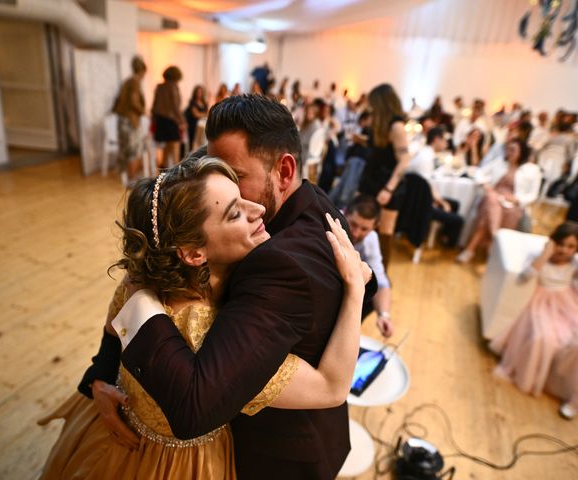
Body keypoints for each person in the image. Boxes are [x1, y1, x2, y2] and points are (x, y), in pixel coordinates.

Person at [80, 94, 379, 479]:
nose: (246, 206)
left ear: (284, 171)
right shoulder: (312, 198)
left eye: (237, 179)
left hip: (277, 456)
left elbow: (196, 405)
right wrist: (99, 376)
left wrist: (138, 300)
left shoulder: (277, 264)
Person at [491, 222, 578, 420]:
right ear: (553, 242)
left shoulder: (573, 264)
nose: (565, 250)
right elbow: (525, 276)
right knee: (544, 339)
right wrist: (546, 254)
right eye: (561, 244)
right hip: (542, 303)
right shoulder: (542, 257)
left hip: (568, 303)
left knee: (573, 342)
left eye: (571, 246)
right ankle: (533, 377)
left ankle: (569, 392)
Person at [457, 139, 542, 263]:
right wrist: (486, 184)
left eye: (513, 150)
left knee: (495, 213)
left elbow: (533, 194)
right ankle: (495, 239)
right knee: (491, 199)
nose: (509, 152)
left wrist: (517, 199)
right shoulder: (499, 163)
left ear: (521, 152)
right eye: (508, 149)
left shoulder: (532, 170)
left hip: (513, 203)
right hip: (493, 194)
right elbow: (479, 172)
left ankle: (472, 248)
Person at [357, 83, 411, 268]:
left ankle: (381, 279)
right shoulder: (379, 122)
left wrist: (389, 188)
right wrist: (360, 140)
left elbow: (404, 159)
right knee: (360, 222)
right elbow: (379, 147)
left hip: (388, 183)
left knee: (384, 232)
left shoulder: (396, 126)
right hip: (371, 179)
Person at [345, 196, 394, 337]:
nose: (356, 233)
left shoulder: (371, 239)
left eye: (364, 229)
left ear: (374, 227)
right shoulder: (328, 221)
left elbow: (382, 282)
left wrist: (384, 315)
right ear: (346, 213)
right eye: (353, 224)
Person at [409, 127, 464, 248]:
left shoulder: (426, 154)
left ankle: (443, 236)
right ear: (436, 139)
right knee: (459, 220)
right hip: (420, 204)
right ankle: (448, 247)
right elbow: (427, 187)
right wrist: (441, 202)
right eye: (444, 140)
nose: (446, 143)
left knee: (455, 204)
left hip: (420, 198)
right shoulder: (425, 158)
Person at [112, 55, 147, 181]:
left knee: (125, 149)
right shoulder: (135, 82)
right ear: (142, 70)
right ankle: (132, 179)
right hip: (131, 121)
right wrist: (144, 112)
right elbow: (133, 101)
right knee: (133, 151)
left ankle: (127, 177)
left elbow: (119, 100)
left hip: (122, 120)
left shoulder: (126, 81)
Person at [151, 65, 185, 169]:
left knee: (166, 147)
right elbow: (175, 106)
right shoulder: (173, 86)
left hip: (160, 120)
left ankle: (163, 170)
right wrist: (182, 120)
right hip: (171, 120)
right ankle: (176, 175)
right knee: (175, 148)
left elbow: (154, 105)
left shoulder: (159, 87)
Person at [184, 85, 208, 152]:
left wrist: (202, 114)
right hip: (193, 124)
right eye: (198, 92)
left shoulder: (204, 102)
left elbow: (207, 112)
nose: (199, 94)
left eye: (201, 92)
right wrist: (204, 114)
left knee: (202, 140)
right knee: (193, 142)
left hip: (202, 125)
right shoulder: (192, 102)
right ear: (195, 93)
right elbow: (195, 114)